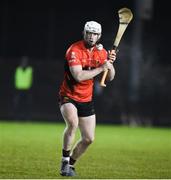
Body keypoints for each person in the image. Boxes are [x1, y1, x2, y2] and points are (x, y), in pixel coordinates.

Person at [58, 21, 116, 176]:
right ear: (84, 33)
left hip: (86, 98)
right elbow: (78, 76)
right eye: (89, 33)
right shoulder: (74, 50)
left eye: (95, 34)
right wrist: (101, 68)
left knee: (89, 138)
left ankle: (70, 164)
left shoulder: (101, 52)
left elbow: (110, 77)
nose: (92, 36)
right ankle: (64, 162)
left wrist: (109, 65)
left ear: (99, 36)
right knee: (72, 124)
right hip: (68, 95)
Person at [13, 56, 33, 120]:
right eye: (23, 61)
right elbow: (14, 79)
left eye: (25, 61)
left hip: (27, 90)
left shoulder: (30, 70)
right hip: (18, 90)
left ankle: (27, 118)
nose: (24, 62)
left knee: (27, 105)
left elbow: (33, 80)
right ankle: (16, 118)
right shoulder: (18, 69)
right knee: (17, 104)